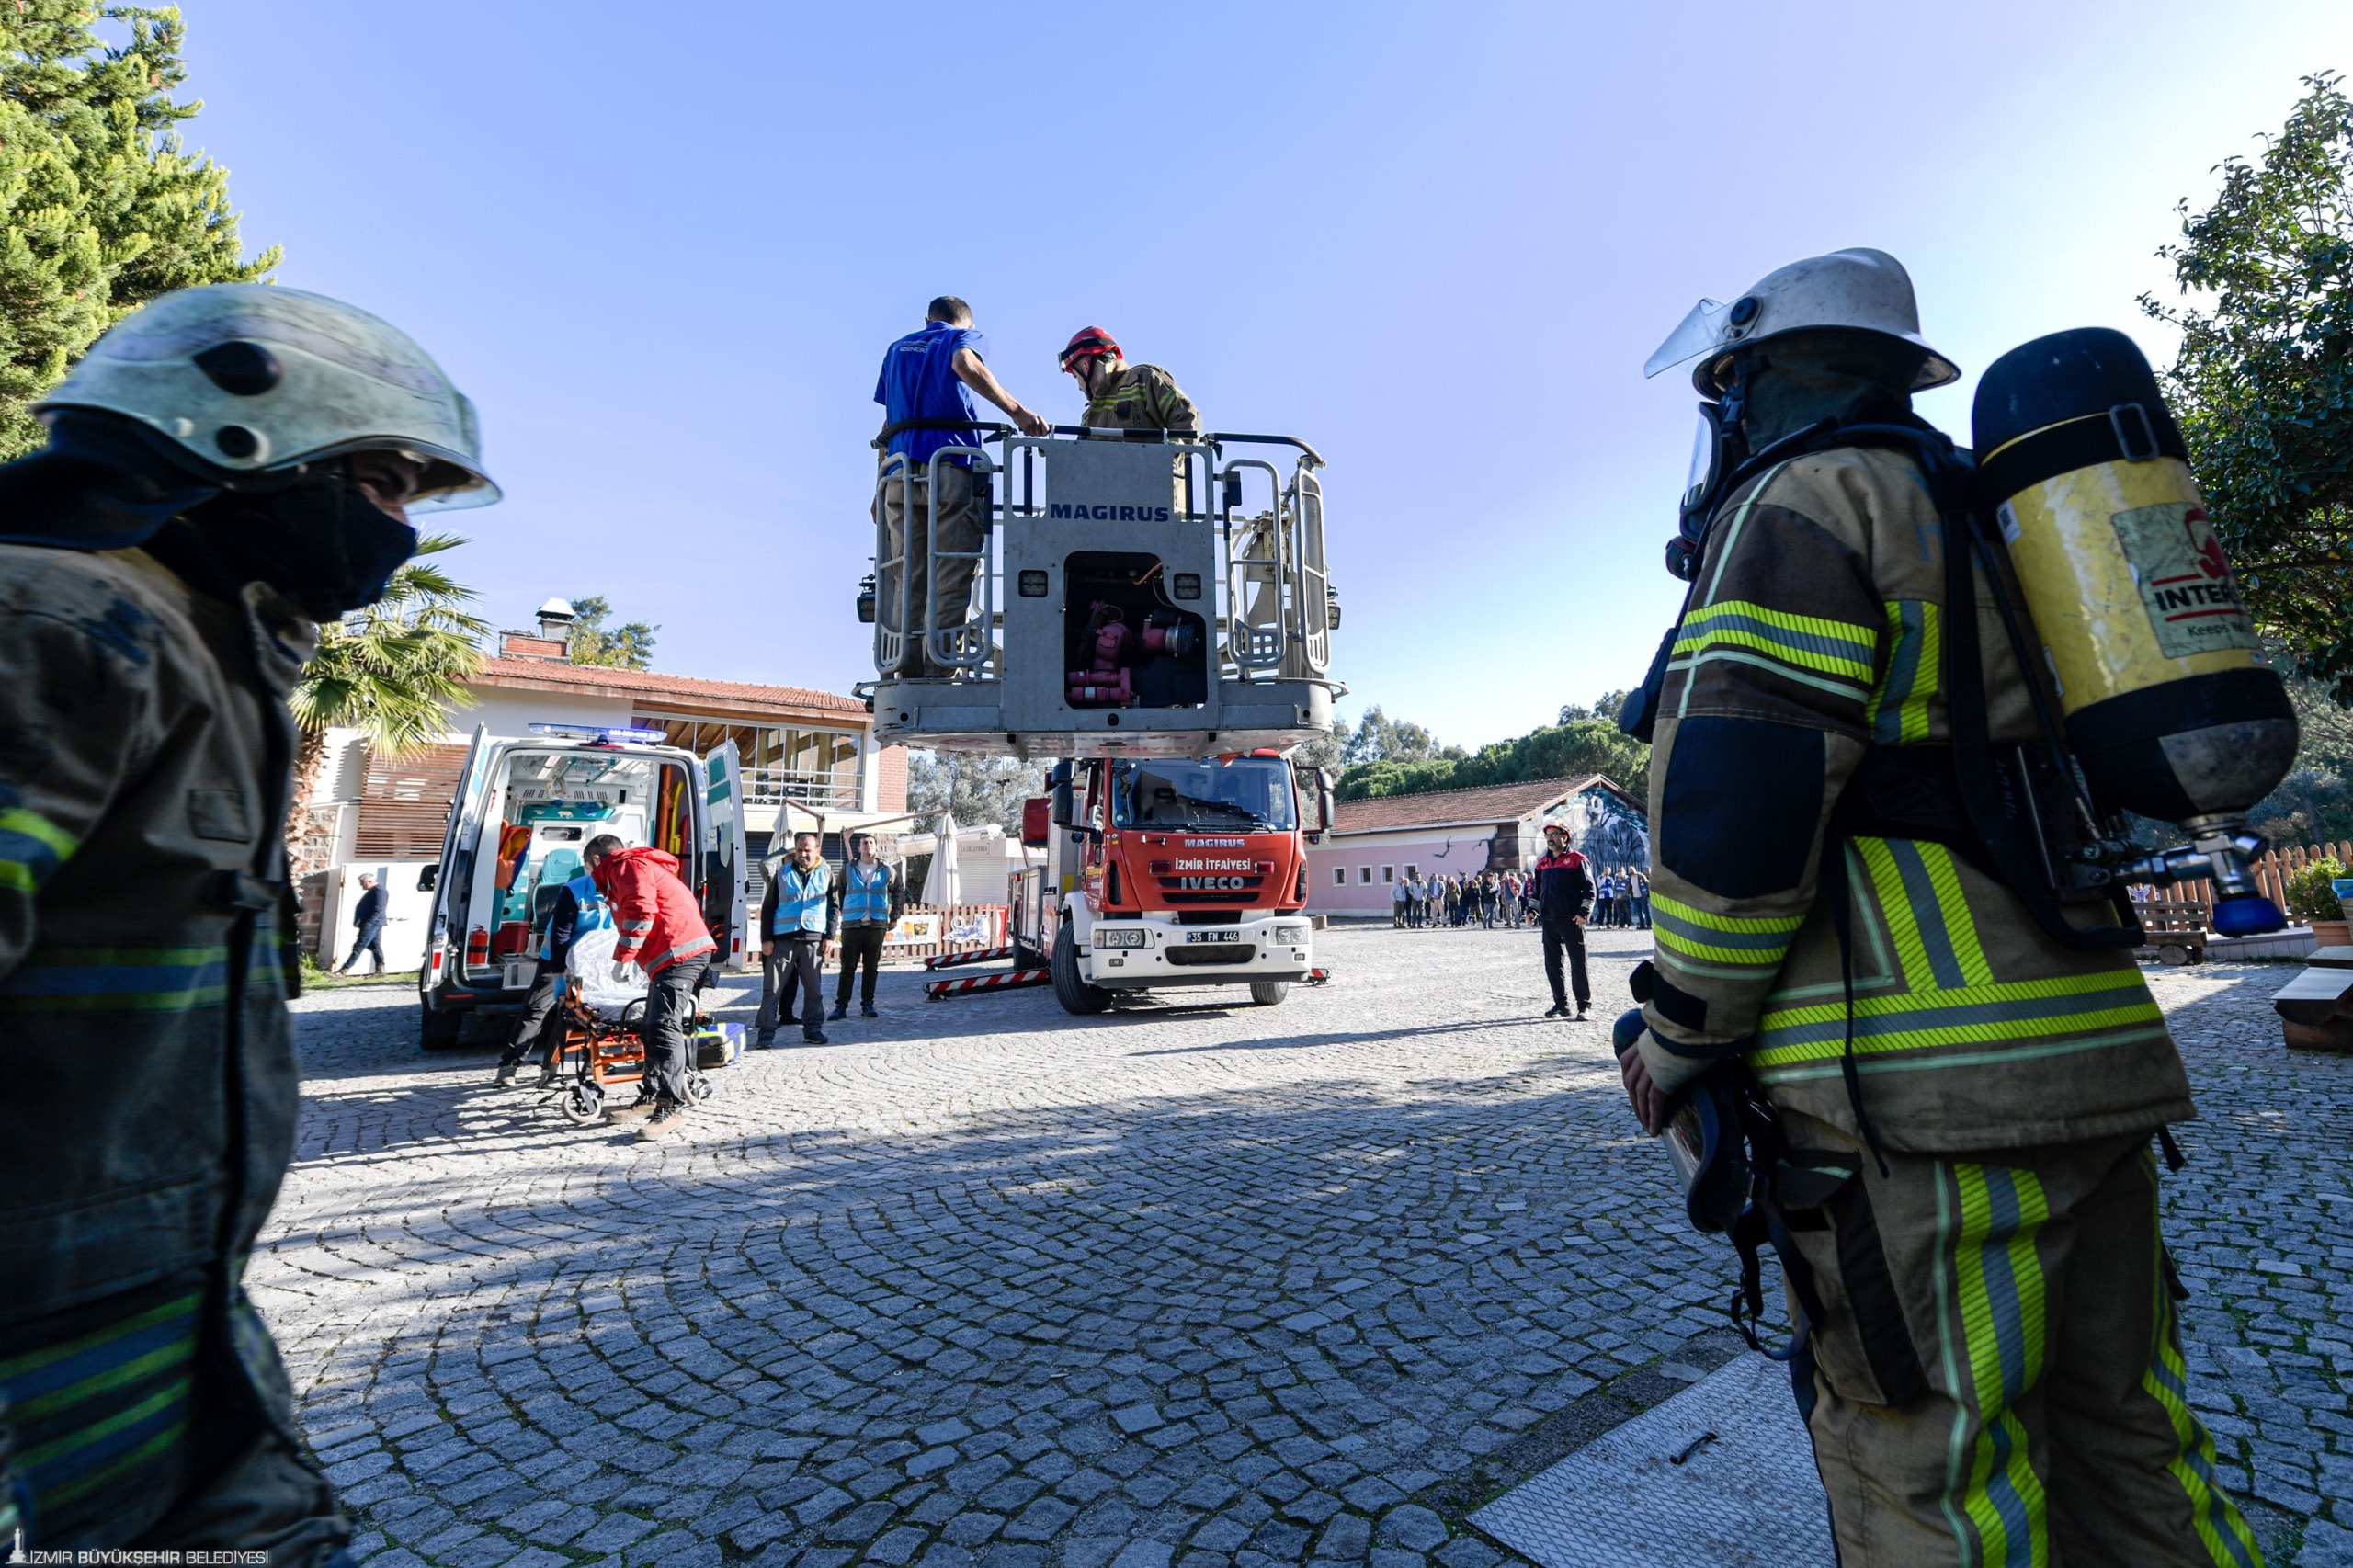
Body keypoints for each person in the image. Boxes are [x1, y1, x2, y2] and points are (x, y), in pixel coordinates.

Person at [1617, 247, 2263, 1565]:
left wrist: (1675, 1033)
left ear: (1750, 384)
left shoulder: (1804, 501)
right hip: (2096, 1061)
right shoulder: (1990, 514)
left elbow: (1743, 811)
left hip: (1917, 1115)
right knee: (2134, 1444)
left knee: (1934, 1475)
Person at [0, 283, 498, 1555]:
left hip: (155, 1338)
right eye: (382, 484)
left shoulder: (208, 649)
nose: (394, 529)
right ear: (246, 448)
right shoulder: (67, 626)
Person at [874, 297, 1050, 677]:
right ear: (965, 322)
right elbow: (963, 364)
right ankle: (940, 672)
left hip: (899, 474)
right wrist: (1018, 413)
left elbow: (888, 425)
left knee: (908, 575)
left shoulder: (897, 349)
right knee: (950, 574)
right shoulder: (964, 337)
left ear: (927, 320)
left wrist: (878, 488)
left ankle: (904, 669)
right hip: (949, 468)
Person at [587, 833, 714, 1140]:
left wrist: (624, 957)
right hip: (674, 953)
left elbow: (641, 910)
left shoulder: (626, 867)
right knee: (650, 1025)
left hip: (681, 952)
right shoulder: (634, 866)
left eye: (588, 869)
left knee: (663, 1025)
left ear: (595, 861)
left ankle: (670, 1105)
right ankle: (651, 1096)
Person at [494, 861, 612, 1086]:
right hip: (557, 957)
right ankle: (509, 1066)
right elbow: (560, 935)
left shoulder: (622, 887)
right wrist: (559, 974)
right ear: (597, 862)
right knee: (536, 1008)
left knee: (592, 1012)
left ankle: (592, 1062)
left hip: (593, 962)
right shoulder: (575, 890)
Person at [758, 831, 835, 1046]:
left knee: (814, 990)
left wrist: (830, 935)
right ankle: (765, 1033)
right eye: (799, 850)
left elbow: (833, 907)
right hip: (783, 940)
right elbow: (769, 907)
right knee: (772, 989)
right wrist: (766, 939)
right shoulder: (782, 873)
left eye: (807, 850)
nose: (803, 854)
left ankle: (813, 1031)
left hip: (813, 939)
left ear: (817, 850)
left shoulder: (827, 873)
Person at [1059, 327, 1199, 434]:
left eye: (1076, 376)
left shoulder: (1144, 379)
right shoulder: (1090, 415)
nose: (1079, 387)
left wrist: (1169, 459)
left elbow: (1187, 415)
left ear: (1085, 366)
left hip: (1152, 472)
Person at [830, 833, 902, 1020]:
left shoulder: (887, 870)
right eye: (864, 843)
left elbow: (898, 891)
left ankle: (867, 1004)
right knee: (847, 968)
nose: (868, 845)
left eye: (871, 842)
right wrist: (838, 916)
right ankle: (841, 1006)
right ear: (859, 848)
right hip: (852, 926)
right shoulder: (848, 869)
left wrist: (894, 915)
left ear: (876, 847)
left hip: (876, 926)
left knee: (871, 968)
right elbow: (838, 893)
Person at [1532, 822, 1592, 1018]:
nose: (1550, 838)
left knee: (1578, 963)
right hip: (1549, 921)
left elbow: (1589, 890)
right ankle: (1561, 1004)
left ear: (1565, 836)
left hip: (1572, 920)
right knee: (1552, 964)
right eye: (1547, 835)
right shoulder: (1542, 863)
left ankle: (1584, 1005)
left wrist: (1584, 913)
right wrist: (1532, 911)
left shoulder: (1578, 860)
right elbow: (1537, 891)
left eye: (1554, 834)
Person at [335, 871, 387, 974]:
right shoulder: (375, 891)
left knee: (359, 946)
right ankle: (380, 970)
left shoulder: (379, 891)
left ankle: (343, 971)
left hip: (372, 924)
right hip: (374, 923)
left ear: (370, 881)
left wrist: (369, 923)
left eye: (363, 883)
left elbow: (378, 909)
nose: (361, 885)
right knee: (375, 947)